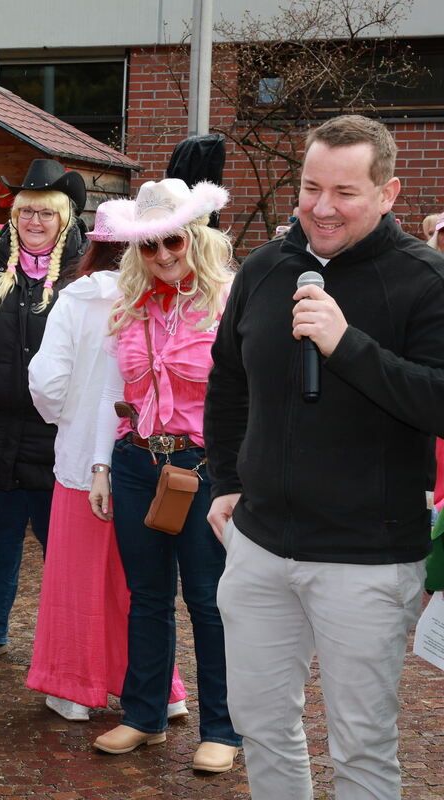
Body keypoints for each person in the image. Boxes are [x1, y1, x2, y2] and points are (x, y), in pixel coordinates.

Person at [206, 114, 444, 799]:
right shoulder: (265, 267)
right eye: (311, 187)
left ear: (388, 192)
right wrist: (225, 481)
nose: (322, 207)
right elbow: (227, 383)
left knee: (362, 743)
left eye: (344, 191)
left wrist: (348, 346)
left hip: (367, 558)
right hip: (260, 547)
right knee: (259, 722)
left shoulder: (426, 281)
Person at [86, 179, 240, 771]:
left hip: (203, 466)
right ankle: (144, 716)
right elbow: (111, 392)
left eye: (172, 240)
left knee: (208, 599)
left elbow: (248, 395)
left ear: (194, 237)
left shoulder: (228, 300)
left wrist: (237, 478)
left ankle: (223, 728)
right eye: (148, 247)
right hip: (136, 462)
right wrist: (100, 465)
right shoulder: (129, 302)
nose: (163, 254)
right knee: (146, 597)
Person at [26, 204, 190, 722]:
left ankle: (74, 687)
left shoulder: (76, 298)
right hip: (154, 455)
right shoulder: (167, 296)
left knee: (77, 579)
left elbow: (47, 381)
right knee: (142, 585)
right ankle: (164, 689)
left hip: (83, 459)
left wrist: (64, 419)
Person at [0, 158, 87, 663]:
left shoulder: (85, 278)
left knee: (65, 547)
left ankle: (72, 637)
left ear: (65, 220)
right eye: (26, 213)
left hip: (56, 437)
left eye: (46, 215)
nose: (35, 223)